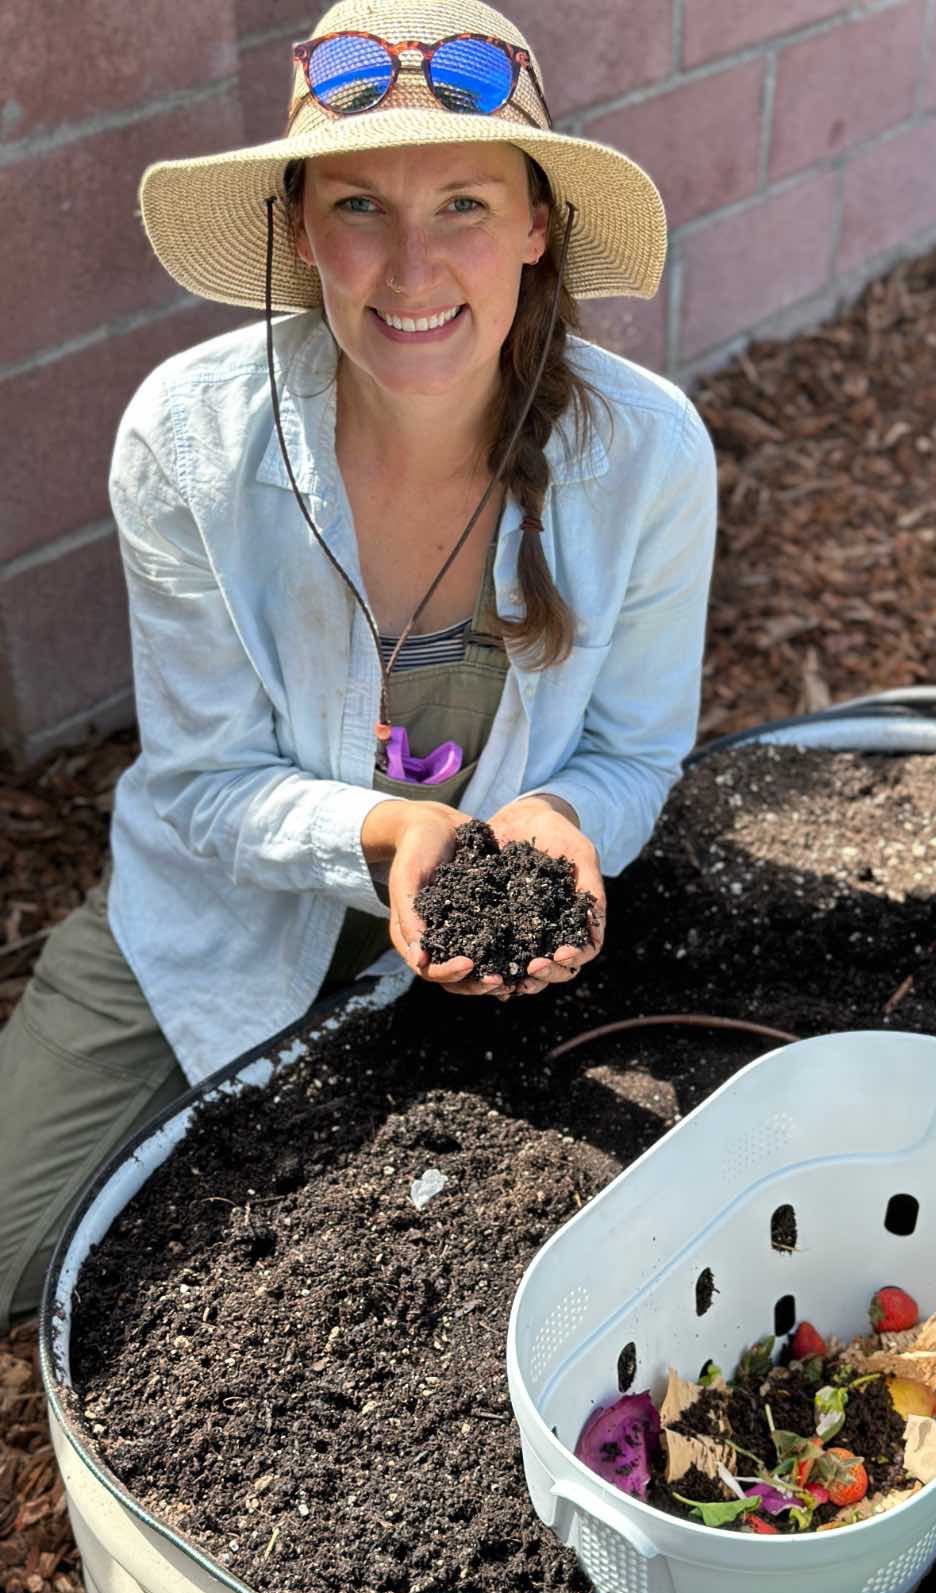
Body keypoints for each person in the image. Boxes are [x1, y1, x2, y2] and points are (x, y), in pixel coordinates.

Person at [0, 0, 717, 1332]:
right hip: (220, 905)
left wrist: (553, 824)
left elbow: (631, 752)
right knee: (31, 1265)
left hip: (465, 964)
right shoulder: (189, 443)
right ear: (297, 227)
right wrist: (391, 833)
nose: (410, 271)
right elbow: (209, 785)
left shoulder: (647, 458)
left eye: (462, 205)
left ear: (536, 224)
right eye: (358, 210)